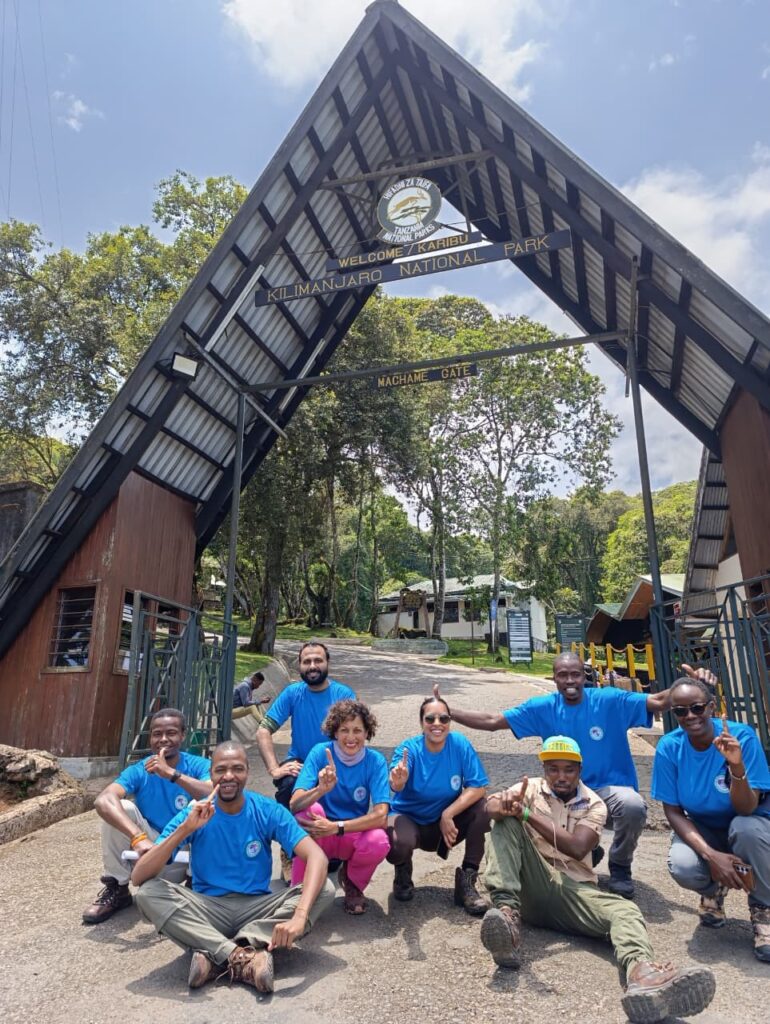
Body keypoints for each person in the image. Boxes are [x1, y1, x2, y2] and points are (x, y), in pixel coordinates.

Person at [481, 735, 716, 1024]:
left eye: (568, 769)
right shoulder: (528, 791)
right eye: (553, 769)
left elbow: (578, 847)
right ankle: (507, 920)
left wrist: (526, 814)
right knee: (503, 821)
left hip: (572, 891)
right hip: (531, 883)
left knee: (626, 910)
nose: (561, 776)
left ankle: (642, 976)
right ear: (544, 770)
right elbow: (490, 807)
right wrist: (503, 805)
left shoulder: (594, 804)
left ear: (579, 770)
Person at [434, 652, 706, 898]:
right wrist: (449, 712)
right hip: (561, 792)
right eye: (562, 675)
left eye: (575, 673)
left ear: (584, 675)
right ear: (554, 678)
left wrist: (692, 687)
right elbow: (493, 722)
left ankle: (620, 866)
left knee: (632, 805)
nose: (570, 680)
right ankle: (572, 858)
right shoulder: (543, 707)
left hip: (607, 792)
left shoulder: (609, 700)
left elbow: (658, 700)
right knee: (521, 808)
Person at [132, 740, 335, 994]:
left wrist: (300, 916)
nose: (228, 776)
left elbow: (317, 857)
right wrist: (186, 829)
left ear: (247, 772)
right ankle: (243, 956)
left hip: (257, 908)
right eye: (220, 770)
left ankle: (212, 953)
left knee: (324, 888)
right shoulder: (195, 813)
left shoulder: (266, 809)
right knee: (149, 893)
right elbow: (139, 876)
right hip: (207, 909)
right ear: (211, 774)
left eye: (237, 769)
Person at [651, 675, 770, 962]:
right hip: (704, 827)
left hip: (749, 823)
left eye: (697, 708)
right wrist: (711, 855)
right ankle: (714, 890)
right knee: (683, 865)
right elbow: (673, 811)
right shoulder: (670, 747)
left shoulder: (741, 737)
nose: (690, 716)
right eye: (680, 711)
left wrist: (736, 766)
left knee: (746, 829)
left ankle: (764, 912)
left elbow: (745, 807)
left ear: (712, 707)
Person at [82, 707, 212, 924]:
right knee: (120, 806)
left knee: (201, 805)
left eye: (170, 733)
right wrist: (138, 838)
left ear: (183, 735)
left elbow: (213, 793)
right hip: (148, 855)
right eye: (156, 734)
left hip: (186, 854)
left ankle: (194, 886)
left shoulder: (199, 765)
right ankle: (118, 888)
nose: (163, 739)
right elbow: (102, 800)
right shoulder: (140, 769)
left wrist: (171, 774)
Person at [387, 694, 490, 915]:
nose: (437, 724)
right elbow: (395, 781)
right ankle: (403, 871)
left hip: (445, 825)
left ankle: (467, 882)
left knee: (484, 808)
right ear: (421, 722)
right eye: (430, 719)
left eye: (443, 719)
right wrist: (398, 780)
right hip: (410, 822)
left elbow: (479, 786)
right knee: (397, 844)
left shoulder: (459, 744)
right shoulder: (409, 749)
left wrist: (448, 814)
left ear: (450, 722)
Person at [289, 699, 390, 915]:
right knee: (310, 810)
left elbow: (381, 816)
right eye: (344, 730)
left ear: (367, 733)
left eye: (357, 730)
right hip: (318, 832)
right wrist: (320, 790)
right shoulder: (319, 753)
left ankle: (353, 882)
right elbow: (294, 804)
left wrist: (337, 827)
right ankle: (301, 888)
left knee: (379, 840)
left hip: (348, 832)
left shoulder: (375, 761)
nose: (351, 737)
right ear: (334, 731)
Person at [256, 642, 356, 807]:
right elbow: (263, 730)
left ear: (327, 663)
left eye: (318, 660)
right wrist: (274, 769)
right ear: (300, 665)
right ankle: (288, 828)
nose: (312, 666)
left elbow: (353, 737)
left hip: (336, 763)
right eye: (306, 662)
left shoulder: (343, 694)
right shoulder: (292, 693)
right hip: (300, 763)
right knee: (287, 785)